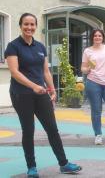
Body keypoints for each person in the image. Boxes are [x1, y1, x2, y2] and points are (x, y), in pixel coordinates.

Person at [4, 13, 82, 177]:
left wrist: (52, 90)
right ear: (20, 25)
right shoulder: (13, 46)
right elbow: (14, 72)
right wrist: (33, 86)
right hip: (21, 93)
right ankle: (31, 167)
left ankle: (64, 163)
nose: (29, 27)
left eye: (32, 24)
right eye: (26, 24)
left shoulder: (40, 47)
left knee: (52, 129)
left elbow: (45, 71)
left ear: (36, 26)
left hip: (41, 93)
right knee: (28, 130)